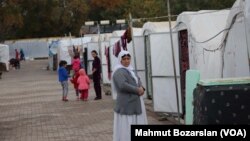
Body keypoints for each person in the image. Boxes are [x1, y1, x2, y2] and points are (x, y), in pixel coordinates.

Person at [112, 50, 148, 141]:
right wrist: (137, 90)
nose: (127, 61)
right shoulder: (118, 71)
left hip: (135, 102)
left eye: (128, 58)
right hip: (126, 104)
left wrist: (142, 88)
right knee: (127, 125)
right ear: (120, 60)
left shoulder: (131, 70)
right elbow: (122, 85)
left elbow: (137, 81)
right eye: (124, 59)